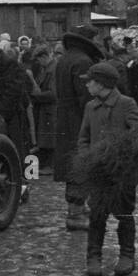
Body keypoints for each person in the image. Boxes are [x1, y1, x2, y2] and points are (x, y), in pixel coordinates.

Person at [74, 62, 138, 276]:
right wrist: (86, 157)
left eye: (90, 81)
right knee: (97, 214)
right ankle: (93, 257)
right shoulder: (90, 107)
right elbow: (84, 137)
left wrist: (123, 155)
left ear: (102, 84)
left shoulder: (126, 104)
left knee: (124, 212)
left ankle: (127, 255)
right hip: (98, 171)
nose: (87, 85)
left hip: (122, 172)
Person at [50, 25, 104, 230]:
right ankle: (75, 214)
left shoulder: (65, 58)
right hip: (78, 119)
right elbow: (86, 96)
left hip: (65, 118)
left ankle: (77, 209)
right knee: (80, 163)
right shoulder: (83, 61)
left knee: (73, 163)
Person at [0, 41, 35, 160]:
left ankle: (21, 175)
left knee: (16, 147)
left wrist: (1, 107)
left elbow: (14, 90)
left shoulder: (9, 63)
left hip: (10, 113)